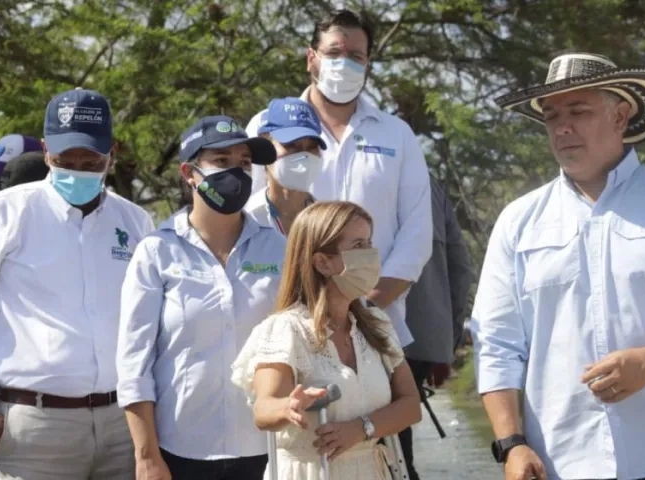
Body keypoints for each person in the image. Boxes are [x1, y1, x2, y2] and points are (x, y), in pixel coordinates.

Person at [471, 52, 645, 480]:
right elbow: (496, 341)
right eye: (552, 116)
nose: (562, 127)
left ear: (621, 116)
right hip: (558, 462)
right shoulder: (518, 221)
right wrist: (511, 444)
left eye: (578, 111)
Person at [246, 9, 433, 347]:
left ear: (368, 63)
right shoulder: (265, 125)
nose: (344, 63)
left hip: (376, 327)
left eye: (355, 56)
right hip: (283, 324)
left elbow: (416, 237)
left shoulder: (397, 135)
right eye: (333, 53)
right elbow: (249, 220)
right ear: (311, 59)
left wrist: (362, 308)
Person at [0, 88, 154, 480]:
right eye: (65, 160)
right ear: (45, 150)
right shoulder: (6, 213)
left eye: (91, 160)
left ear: (112, 153)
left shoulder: (136, 223)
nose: (78, 169)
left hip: (123, 426)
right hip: (34, 429)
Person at [115, 116, 282, 480]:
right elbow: (133, 364)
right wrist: (146, 456)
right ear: (189, 173)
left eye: (244, 163)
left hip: (264, 449)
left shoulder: (278, 248)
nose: (237, 172)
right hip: (179, 451)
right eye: (221, 161)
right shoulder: (157, 251)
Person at [231, 200, 422, 480]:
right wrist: (288, 407)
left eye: (369, 243)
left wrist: (362, 428)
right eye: (358, 245)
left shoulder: (376, 324)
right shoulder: (285, 330)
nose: (370, 255)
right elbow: (263, 409)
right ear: (322, 262)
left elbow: (410, 404)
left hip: (369, 470)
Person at [398, 176, 473, 480]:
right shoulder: (428, 184)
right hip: (417, 343)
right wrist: (444, 347)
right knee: (398, 453)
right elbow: (460, 268)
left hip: (341, 337)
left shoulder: (325, 163)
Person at [244, 97, 324, 235]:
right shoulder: (248, 220)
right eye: (291, 145)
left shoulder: (328, 222)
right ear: (265, 149)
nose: (304, 156)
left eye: (312, 147)